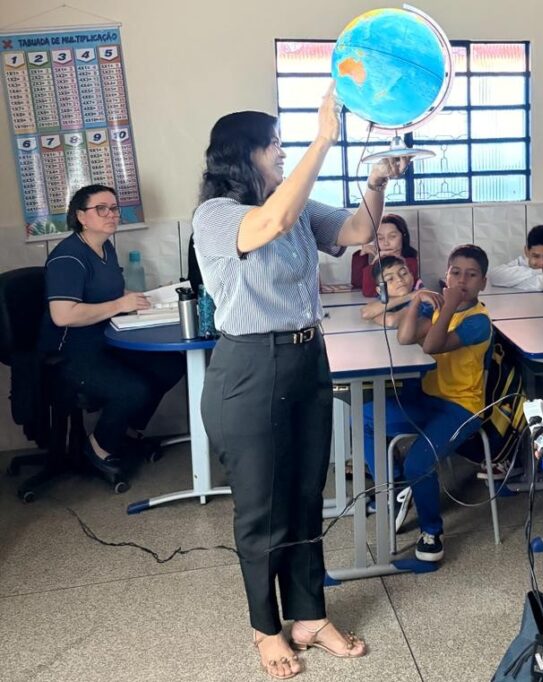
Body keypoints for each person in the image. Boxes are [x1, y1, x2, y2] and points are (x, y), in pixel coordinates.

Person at [192, 87, 407, 678]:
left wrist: (377, 181)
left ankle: (309, 615)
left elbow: (359, 230)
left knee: (308, 494)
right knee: (263, 509)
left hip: (308, 359)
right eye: (274, 145)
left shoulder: (297, 206)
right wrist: (324, 137)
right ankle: (266, 629)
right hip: (249, 369)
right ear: (244, 154)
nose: (283, 153)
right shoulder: (218, 215)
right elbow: (274, 221)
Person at [38, 184, 185, 475]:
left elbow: (111, 292)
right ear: (81, 216)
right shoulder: (68, 258)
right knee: (135, 389)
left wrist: (147, 298)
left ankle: (126, 432)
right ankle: (99, 446)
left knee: (170, 365)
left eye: (115, 208)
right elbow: (63, 315)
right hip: (71, 354)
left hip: (106, 341)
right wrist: (119, 304)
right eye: (101, 209)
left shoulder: (105, 247)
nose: (112, 214)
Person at [362, 244, 492, 563]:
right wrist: (417, 298)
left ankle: (431, 531)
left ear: (483, 283)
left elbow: (432, 345)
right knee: (365, 417)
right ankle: (396, 487)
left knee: (418, 463)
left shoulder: (478, 321)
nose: (461, 280)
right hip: (428, 399)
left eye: (471, 275)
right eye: (455, 272)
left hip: (462, 409)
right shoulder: (435, 305)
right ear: (446, 274)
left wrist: (449, 304)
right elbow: (405, 337)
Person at [488, 224, 543, 292]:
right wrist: (537, 272)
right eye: (536, 256)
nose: (542, 263)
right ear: (526, 252)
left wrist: (510, 283)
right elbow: (493, 276)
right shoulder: (524, 261)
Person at [350, 213, 418, 297]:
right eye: (380, 238)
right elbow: (357, 284)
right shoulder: (379, 258)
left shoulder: (409, 262)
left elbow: (369, 291)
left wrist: (374, 264)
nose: (386, 243)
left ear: (403, 237)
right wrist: (362, 255)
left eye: (392, 236)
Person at [359, 255, 426, 327]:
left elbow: (391, 321)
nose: (399, 279)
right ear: (380, 290)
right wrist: (410, 296)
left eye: (404, 273)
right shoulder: (415, 294)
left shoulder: (423, 298)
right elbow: (365, 313)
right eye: (390, 279)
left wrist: (374, 315)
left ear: (412, 276)